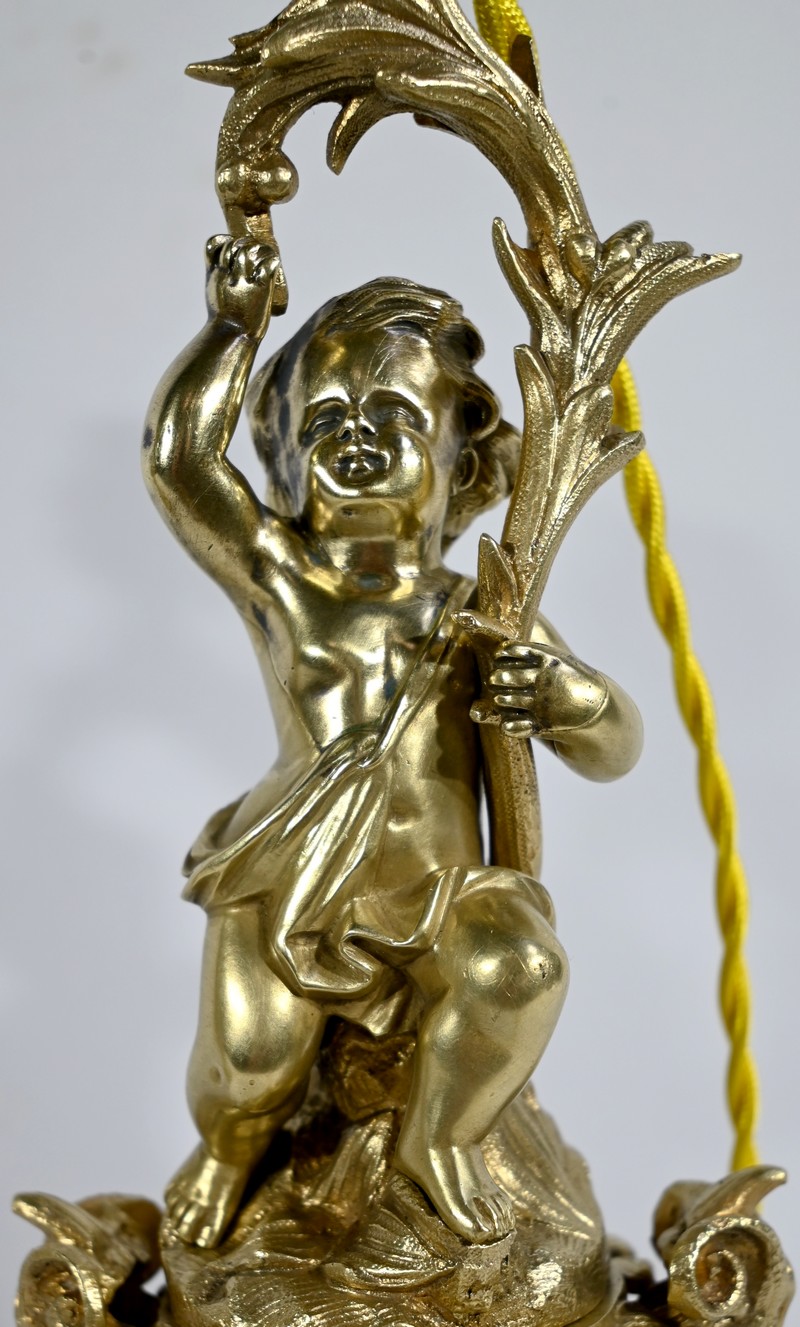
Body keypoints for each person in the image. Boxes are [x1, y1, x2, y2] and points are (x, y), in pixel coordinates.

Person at [144, 235, 643, 1250]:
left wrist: (569, 696)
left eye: (395, 419)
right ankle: (230, 1149)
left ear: (463, 458)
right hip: (290, 877)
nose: (358, 442)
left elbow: (614, 749)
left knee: (519, 970)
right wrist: (232, 329)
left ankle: (440, 1138)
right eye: (325, 422)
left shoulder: (484, 613)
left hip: (442, 890)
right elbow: (179, 464)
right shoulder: (286, 585)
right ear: (286, 461)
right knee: (249, 1061)